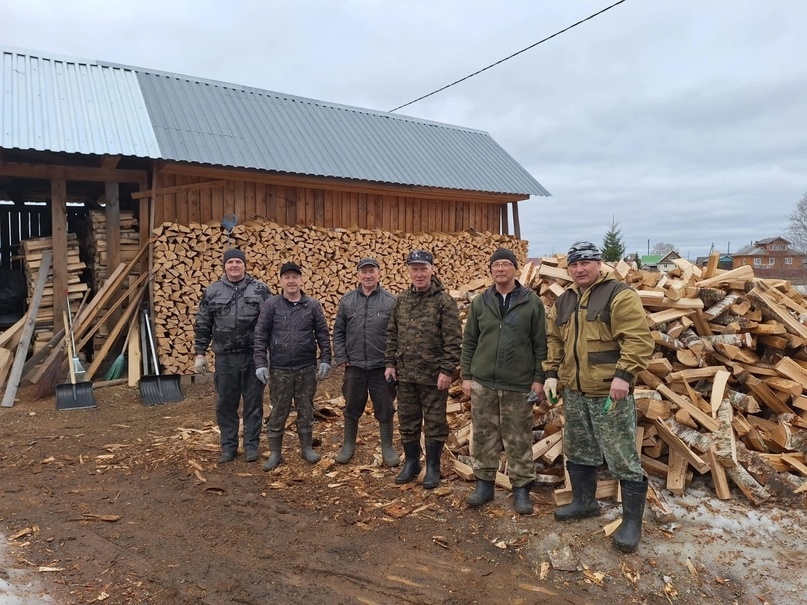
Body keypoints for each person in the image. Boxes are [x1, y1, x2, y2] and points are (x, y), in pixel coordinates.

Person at [543, 241, 654, 553]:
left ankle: (632, 522)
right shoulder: (563, 301)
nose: (580, 269)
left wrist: (624, 375)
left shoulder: (619, 295)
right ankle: (583, 501)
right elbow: (554, 340)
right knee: (578, 449)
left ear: (599, 264)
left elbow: (637, 339)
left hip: (609, 393)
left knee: (622, 456)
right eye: (574, 265)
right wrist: (551, 374)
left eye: (586, 264)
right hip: (575, 393)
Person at [461, 248, 547, 515]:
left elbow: (540, 344)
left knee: (518, 438)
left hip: (518, 384)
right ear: (490, 270)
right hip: (484, 381)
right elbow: (470, 341)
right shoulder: (480, 302)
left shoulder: (531, 302)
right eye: (496, 265)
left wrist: (538, 379)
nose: (500, 269)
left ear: (515, 269)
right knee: (484, 436)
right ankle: (484, 485)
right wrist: (466, 375)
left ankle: (521, 489)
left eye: (505, 264)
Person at [384, 250, 462, 489]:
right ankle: (411, 462)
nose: (419, 274)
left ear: (431, 270)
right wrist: (390, 364)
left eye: (423, 269)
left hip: (433, 377)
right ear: (409, 271)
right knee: (408, 420)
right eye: (414, 269)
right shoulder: (402, 300)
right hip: (406, 375)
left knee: (435, 422)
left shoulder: (444, 301)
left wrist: (447, 370)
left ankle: (434, 467)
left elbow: (453, 340)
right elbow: (392, 333)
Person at [253, 262, 332, 471]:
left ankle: (307, 449)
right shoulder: (271, 305)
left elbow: (323, 334)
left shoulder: (312, 305)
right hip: (280, 369)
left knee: (306, 408)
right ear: (281, 281)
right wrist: (261, 363)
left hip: (306, 368)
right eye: (286, 277)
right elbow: (260, 335)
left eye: (295, 277)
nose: (291, 281)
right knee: (279, 410)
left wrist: (325, 358)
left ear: (301, 280)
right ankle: (275, 453)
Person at [194, 248, 270, 464]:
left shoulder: (260, 290)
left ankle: (251, 446)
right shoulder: (213, 291)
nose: (234, 265)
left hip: (253, 356)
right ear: (225, 266)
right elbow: (203, 323)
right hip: (225, 358)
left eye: (238, 262)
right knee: (226, 403)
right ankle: (228, 447)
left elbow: (270, 322)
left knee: (254, 403)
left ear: (245, 265)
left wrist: (269, 355)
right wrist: (200, 353)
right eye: (230, 262)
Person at [333, 258, 399, 466]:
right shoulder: (348, 301)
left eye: (372, 271)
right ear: (358, 275)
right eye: (364, 272)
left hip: (382, 367)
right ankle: (348, 445)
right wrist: (341, 356)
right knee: (352, 406)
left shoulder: (391, 301)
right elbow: (338, 331)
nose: (368, 275)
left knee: (385, 408)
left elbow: (398, 334)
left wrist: (392, 362)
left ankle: (387, 446)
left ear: (379, 273)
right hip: (354, 366)